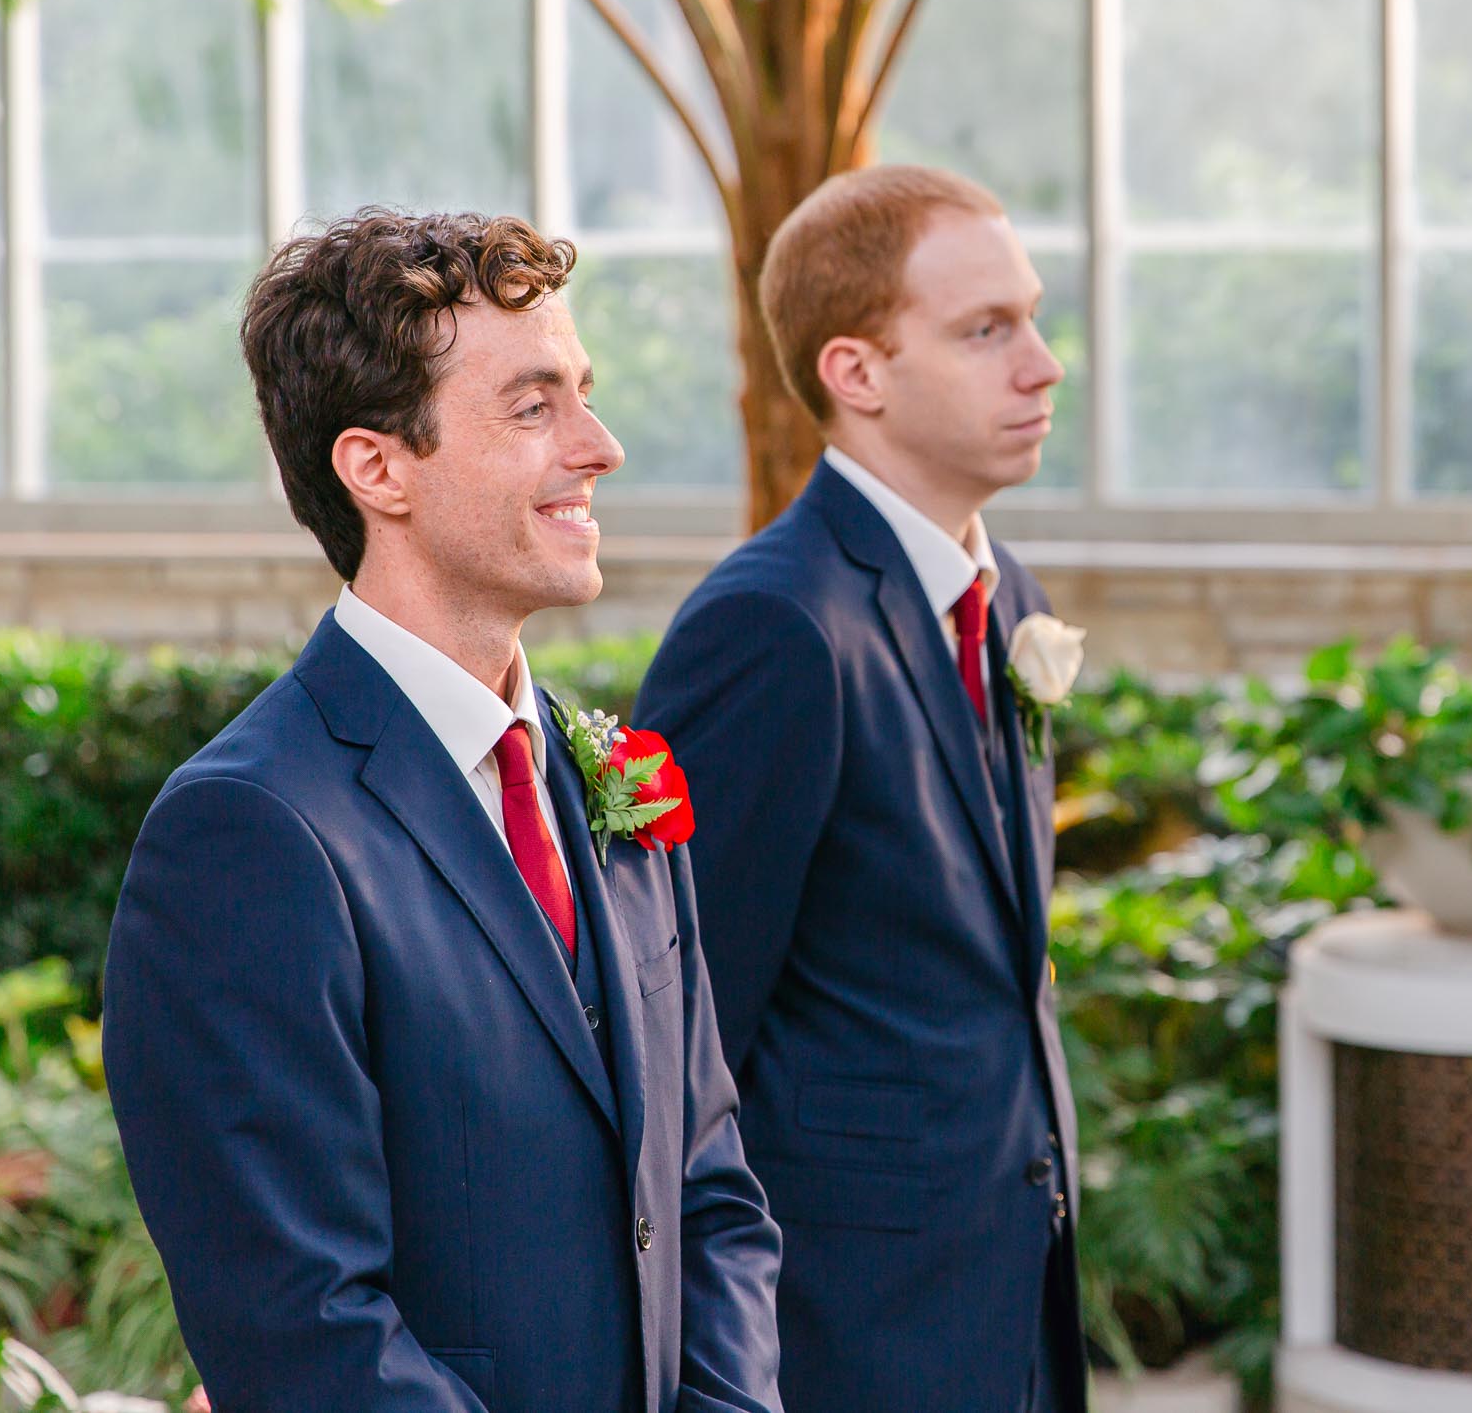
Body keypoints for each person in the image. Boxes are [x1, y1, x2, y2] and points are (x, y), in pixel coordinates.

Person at [101, 209, 783, 1413]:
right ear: (377, 468)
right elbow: (303, 1324)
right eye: (534, 408)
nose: (600, 444)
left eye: (584, 393)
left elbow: (707, 1187)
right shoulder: (248, 832)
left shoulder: (608, 776)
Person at [634, 165, 1087, 1413]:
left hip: (1012, 1295)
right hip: (846, 1332)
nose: (1043, 364)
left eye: (1032, 317)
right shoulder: (772, 627)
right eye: (986, 329)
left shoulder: (1014, 603)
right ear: (857, 371)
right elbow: (680, 1031)